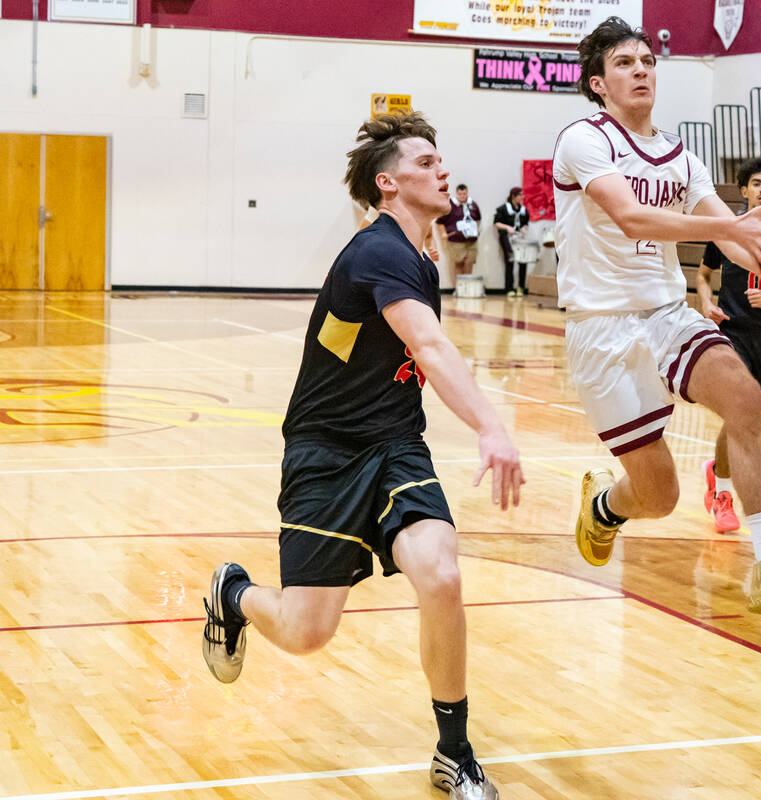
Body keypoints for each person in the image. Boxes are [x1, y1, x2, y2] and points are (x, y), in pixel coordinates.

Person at [200, 112, 522, 800]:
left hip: (397, 446)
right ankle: (231, 592)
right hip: (326, 453)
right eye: (427, 161)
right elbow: (430, 348)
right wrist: (492, 426)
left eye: (443, 160)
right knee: (305, 633)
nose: (443, 170)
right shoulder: (379, 251)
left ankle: (454, 751)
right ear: (389, 183)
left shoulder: (421, 255)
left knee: (440, 574)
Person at [553, 16, 761, 615]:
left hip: (664, 311)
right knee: (658, 496)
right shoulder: (584, 139)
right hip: (600, 328)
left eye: (648, 62)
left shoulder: (679, 156)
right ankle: (606, 507)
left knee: (744, 395)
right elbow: (634, 218)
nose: (640, 72)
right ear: (598, 83)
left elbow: (736, 242)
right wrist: (726, 227)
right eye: (625, 64)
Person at [695, 157, 761, 532]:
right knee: (740, 413)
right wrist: (705, 302)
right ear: (744, 190)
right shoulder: (727, 229)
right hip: (732, 333)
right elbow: (703, 275)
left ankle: (714, 470)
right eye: (757, 183)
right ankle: (721, 494)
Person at [436, 184, 482, 288]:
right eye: (460, 194)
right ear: (457, 194)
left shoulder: (473, 205)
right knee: (458, 264)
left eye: (464, 193)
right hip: (455, 241)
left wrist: (477, 230)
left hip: (471, 241)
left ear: (467, 193)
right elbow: (439, 221)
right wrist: (443, 233)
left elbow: (478, 219)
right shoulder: (450, 205)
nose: (462, 196)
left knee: (469, 263)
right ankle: (459, 288)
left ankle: (467, 287)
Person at [493, 186, 530, 297]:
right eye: (520, 195)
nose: (522, 197)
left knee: (523, 261)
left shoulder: (523, 210)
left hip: (519, 238)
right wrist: (507, 227)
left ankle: (520, 287)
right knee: (510, 261)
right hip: (507, 238)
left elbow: (526, 223)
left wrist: (524, 228)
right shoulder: (503, 209)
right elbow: (496, 223)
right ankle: (509, 288)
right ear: (514, 196)